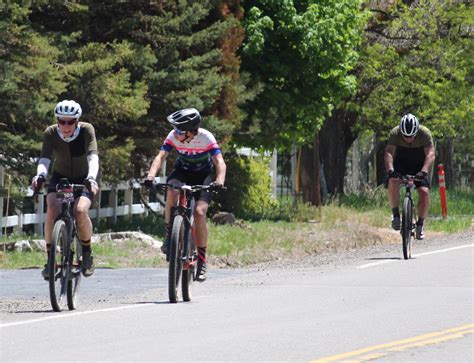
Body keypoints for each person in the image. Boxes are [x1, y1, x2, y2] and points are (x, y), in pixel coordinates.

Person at [145, 108, 226, 282]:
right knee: (172, 191)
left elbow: (219, 161)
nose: (176, 133)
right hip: (181, 172)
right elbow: (161, 157)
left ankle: (202, 260)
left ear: (191, 131)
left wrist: (219, 180)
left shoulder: (206, 137)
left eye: (180, 131)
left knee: (199, 212)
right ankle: (169, 236)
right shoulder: (174, 135)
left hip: (202, 175)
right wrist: (151, 176)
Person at [31, 100, 99, 279]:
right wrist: (39, 175)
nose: (66, 125)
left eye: (70, 121)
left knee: (79, 210)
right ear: (57, 120)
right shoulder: (51, 132)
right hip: (61, 178)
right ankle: (50, 258)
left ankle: (86, 251)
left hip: (84, 179)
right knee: (53, 207)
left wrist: (91, 177)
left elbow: (93, 156)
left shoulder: (86, 130)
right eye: (62, 121)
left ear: (77, 121)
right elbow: (45, 159)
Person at [384, 113, 435, 240]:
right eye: (405, 136)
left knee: (424, 192)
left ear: (416, 131)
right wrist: (391, 170)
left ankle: (420, 224)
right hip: (401, 162)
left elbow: (430, 154)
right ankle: (396, 215)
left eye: (411, 136)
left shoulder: (425, 133)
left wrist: (424, 171)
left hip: (419, 164)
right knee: (393, 181)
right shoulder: (395, 133)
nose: (408, 138)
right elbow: (389, 153)